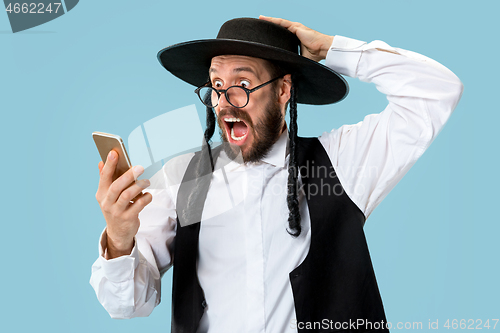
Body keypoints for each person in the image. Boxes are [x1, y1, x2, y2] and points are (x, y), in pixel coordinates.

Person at [90, 16, 463, 333]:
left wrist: (333, 50)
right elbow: (126, 305)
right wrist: (120, 240)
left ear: (284, 90)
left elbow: (436, 92)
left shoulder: (343, 161)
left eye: (243, 85)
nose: (224, 102)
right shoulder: (181, 179)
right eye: (217, 86)